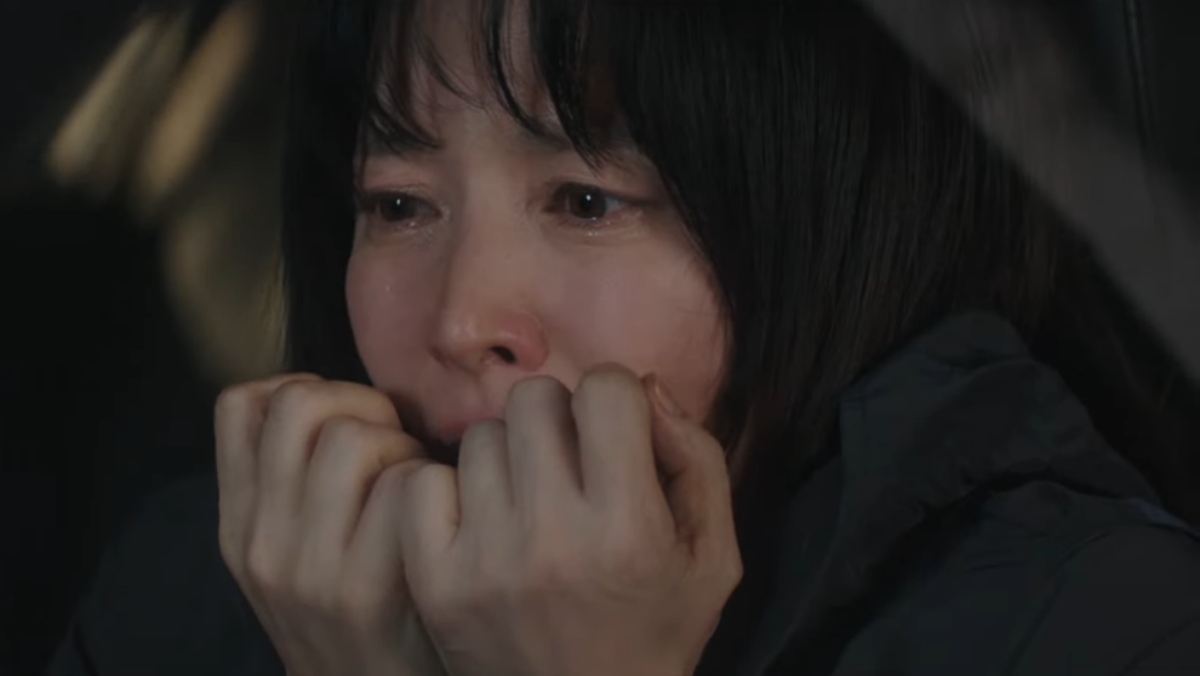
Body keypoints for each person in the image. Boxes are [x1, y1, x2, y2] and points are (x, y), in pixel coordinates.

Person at [47, 0, 1200, 674]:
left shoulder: (1100, 628)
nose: (462, 321)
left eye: (588, 201)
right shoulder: (210, 585)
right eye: (397, 204)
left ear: (837, 228)